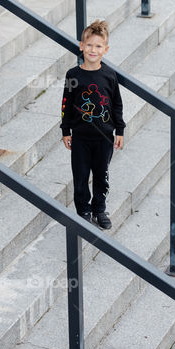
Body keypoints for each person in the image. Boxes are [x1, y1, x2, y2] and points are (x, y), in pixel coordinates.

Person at [61, 20, 125, 230]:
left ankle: (99, 208)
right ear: (81, 46)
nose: (93, 50)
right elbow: (66, 103)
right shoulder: (73, 75)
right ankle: (83, 210)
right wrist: (66, 130)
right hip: (80, 137)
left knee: (101, 174)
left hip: (104, 137)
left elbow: (116, 104)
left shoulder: (109, 75)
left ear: (105, 50)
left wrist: (120, 130)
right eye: (89, 45)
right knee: (80, 175)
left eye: (98, 46)